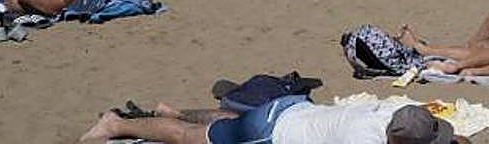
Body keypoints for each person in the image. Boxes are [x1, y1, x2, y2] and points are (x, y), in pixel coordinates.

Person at [79, 98, 465, 144]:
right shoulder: (361, 139)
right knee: (188, 138)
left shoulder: (398, 111)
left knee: (231, 119)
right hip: (271, 133)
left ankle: (172, 110)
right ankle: (116, 124)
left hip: (291, 107)